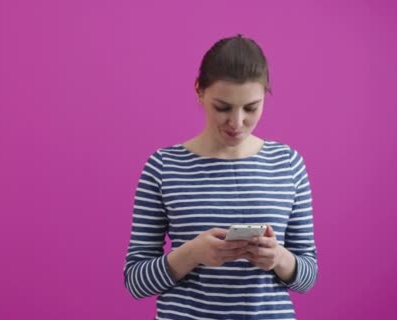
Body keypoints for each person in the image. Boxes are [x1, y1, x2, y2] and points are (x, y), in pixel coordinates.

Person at [123, 34, 318, 319]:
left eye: (251, 108)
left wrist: (278, 258)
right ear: (199, 91)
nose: (237, 123)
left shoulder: (287, 163)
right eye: (223, 107)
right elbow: (135, 282)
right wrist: (192, 254)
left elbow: (308, 277)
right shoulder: (163, 166)